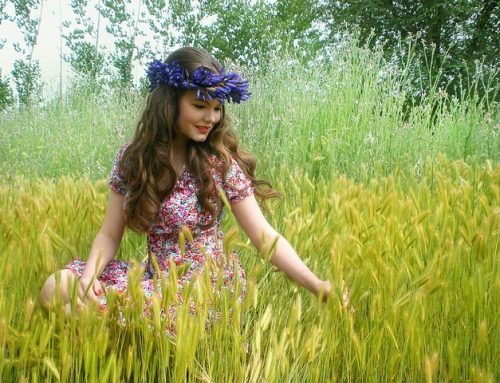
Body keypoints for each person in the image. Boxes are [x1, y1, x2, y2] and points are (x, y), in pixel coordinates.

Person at [39, 47, 335, 329]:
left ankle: (120, 339)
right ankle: (117, 334)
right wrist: (89, 278)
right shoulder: (133, 159)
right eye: (199, 105)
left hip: (204, 286)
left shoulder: (219, 163)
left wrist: (316, 284)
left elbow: (264, 236)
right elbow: (109, 233)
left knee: (89, 311)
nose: (211, 118)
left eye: (217, 108)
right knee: (56, 288)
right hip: (155, 279)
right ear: (170, 102)